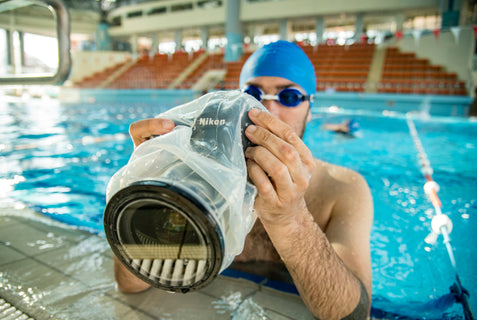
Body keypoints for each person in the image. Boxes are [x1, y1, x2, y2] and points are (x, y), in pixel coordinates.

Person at [113, 40, 373, 320]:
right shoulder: (201, 174)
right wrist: (148, 188)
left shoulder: (341, 188)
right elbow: (131, 285)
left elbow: (353, 315)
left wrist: (290, 219)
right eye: (253, 94)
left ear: (310, 108)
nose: (268, 110)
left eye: (289, 97)